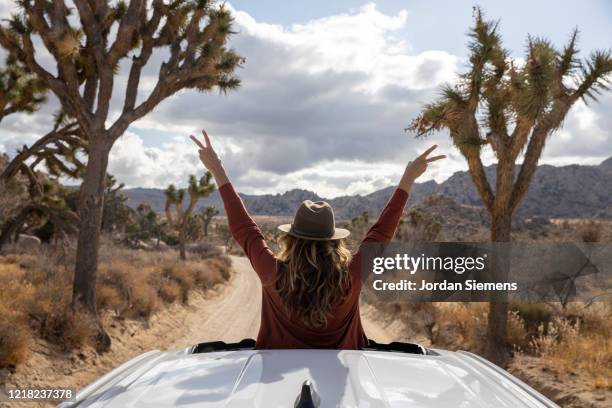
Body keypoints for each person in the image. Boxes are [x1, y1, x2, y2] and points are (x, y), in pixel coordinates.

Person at [190, 129, 445, 349]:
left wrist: (218, 170)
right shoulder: (350, 277)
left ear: (292, 238)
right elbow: (380, 234)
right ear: (334, 241)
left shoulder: (274, 273)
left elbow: (244, 229)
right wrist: (407, 180)